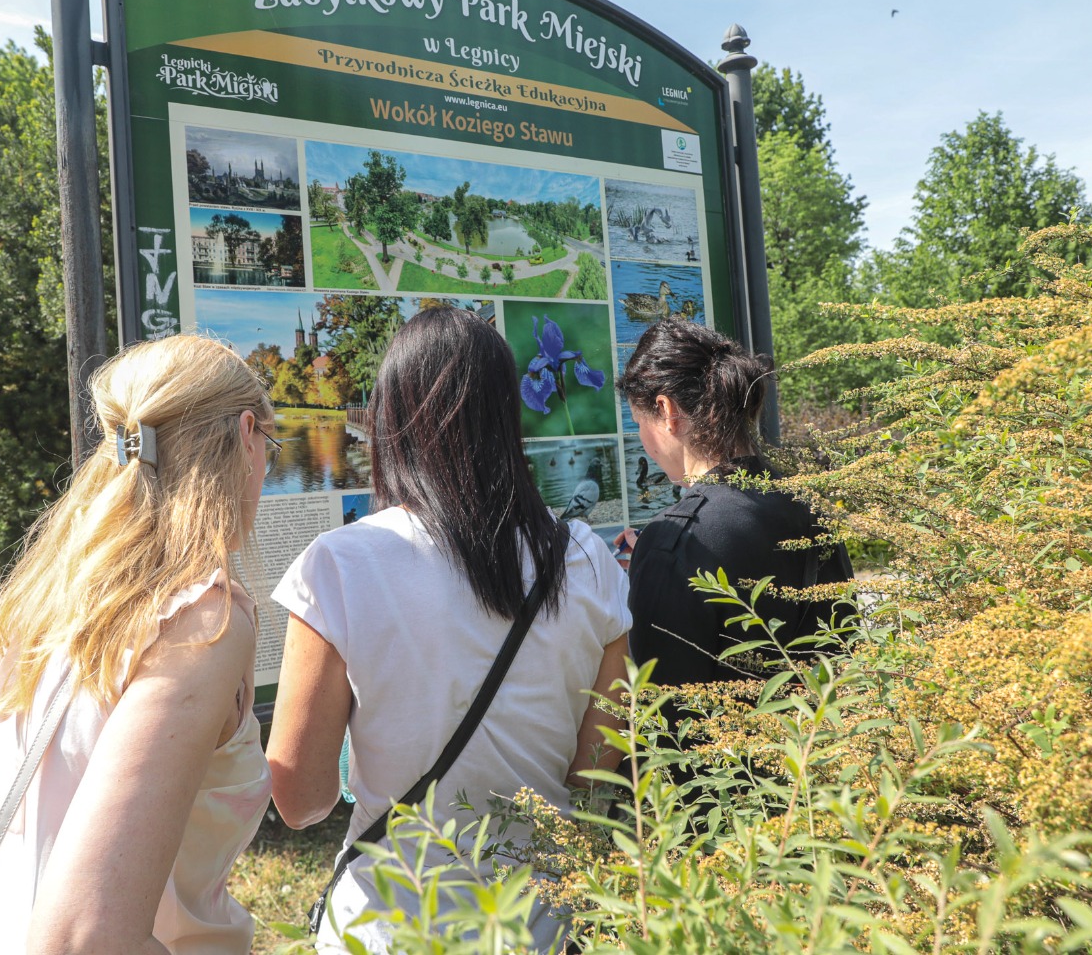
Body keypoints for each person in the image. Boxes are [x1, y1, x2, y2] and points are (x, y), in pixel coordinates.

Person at [266, 308, 631, 953]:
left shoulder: (340, 565)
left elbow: (300, 801)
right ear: (506, 416)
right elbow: (596, 770)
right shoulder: (585, 557)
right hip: (536, 928)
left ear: (391, 420)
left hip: (385, 929)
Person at [0, 335, 279, 954]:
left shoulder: (40, 594)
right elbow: (85, 939)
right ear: (247, 434)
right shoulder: (202, 620)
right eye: (271, 449)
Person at [614, 318, 855, 692]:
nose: (643, 442)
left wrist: (658, 563)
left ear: (666, 410)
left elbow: (661, 722)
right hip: (819, 741)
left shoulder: (675, 541)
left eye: (638, 423)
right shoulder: (805, 503)